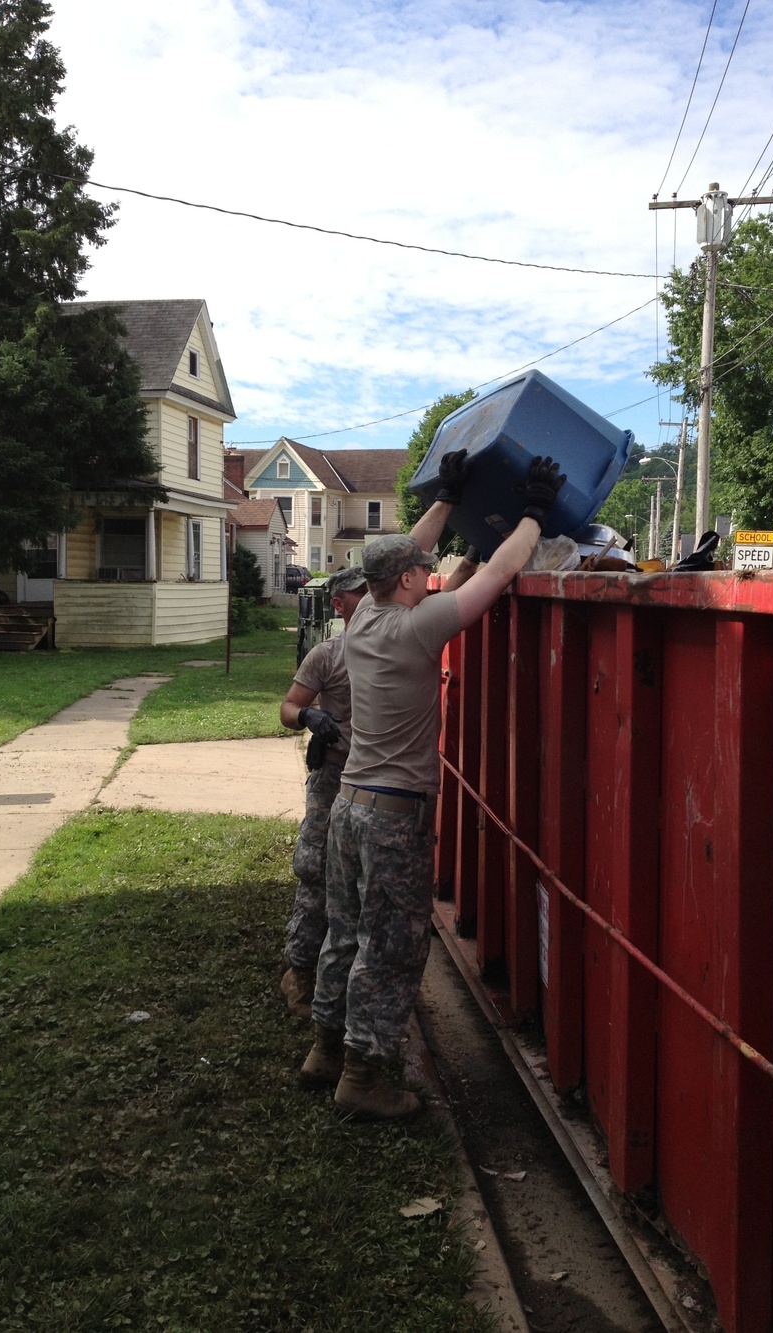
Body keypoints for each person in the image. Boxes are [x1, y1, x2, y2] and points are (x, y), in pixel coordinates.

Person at [300, 449, 568, 1119]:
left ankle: (325, 1047)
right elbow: (504, 569)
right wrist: (534, 511)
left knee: (344, 931)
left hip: (348, 810)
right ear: (413, 581)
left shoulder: (361, 620)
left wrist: (447, 497)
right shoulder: (421, 627)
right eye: (426, 569)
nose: (431, 568)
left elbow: (401, 553)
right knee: (388, 947)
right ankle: (364, 1076)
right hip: (393, 817)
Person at [278, 567, 369, 1018]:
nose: (368, 599)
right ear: (338, 604)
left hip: (372, 782)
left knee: (360, 880)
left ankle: (350, 977)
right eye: (358, 595)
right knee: (315, 870)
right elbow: (289, 706)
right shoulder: (327, 655)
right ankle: (299, 971)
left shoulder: (391, 646)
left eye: (372, 591)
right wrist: (309, 719)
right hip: (333, 776)